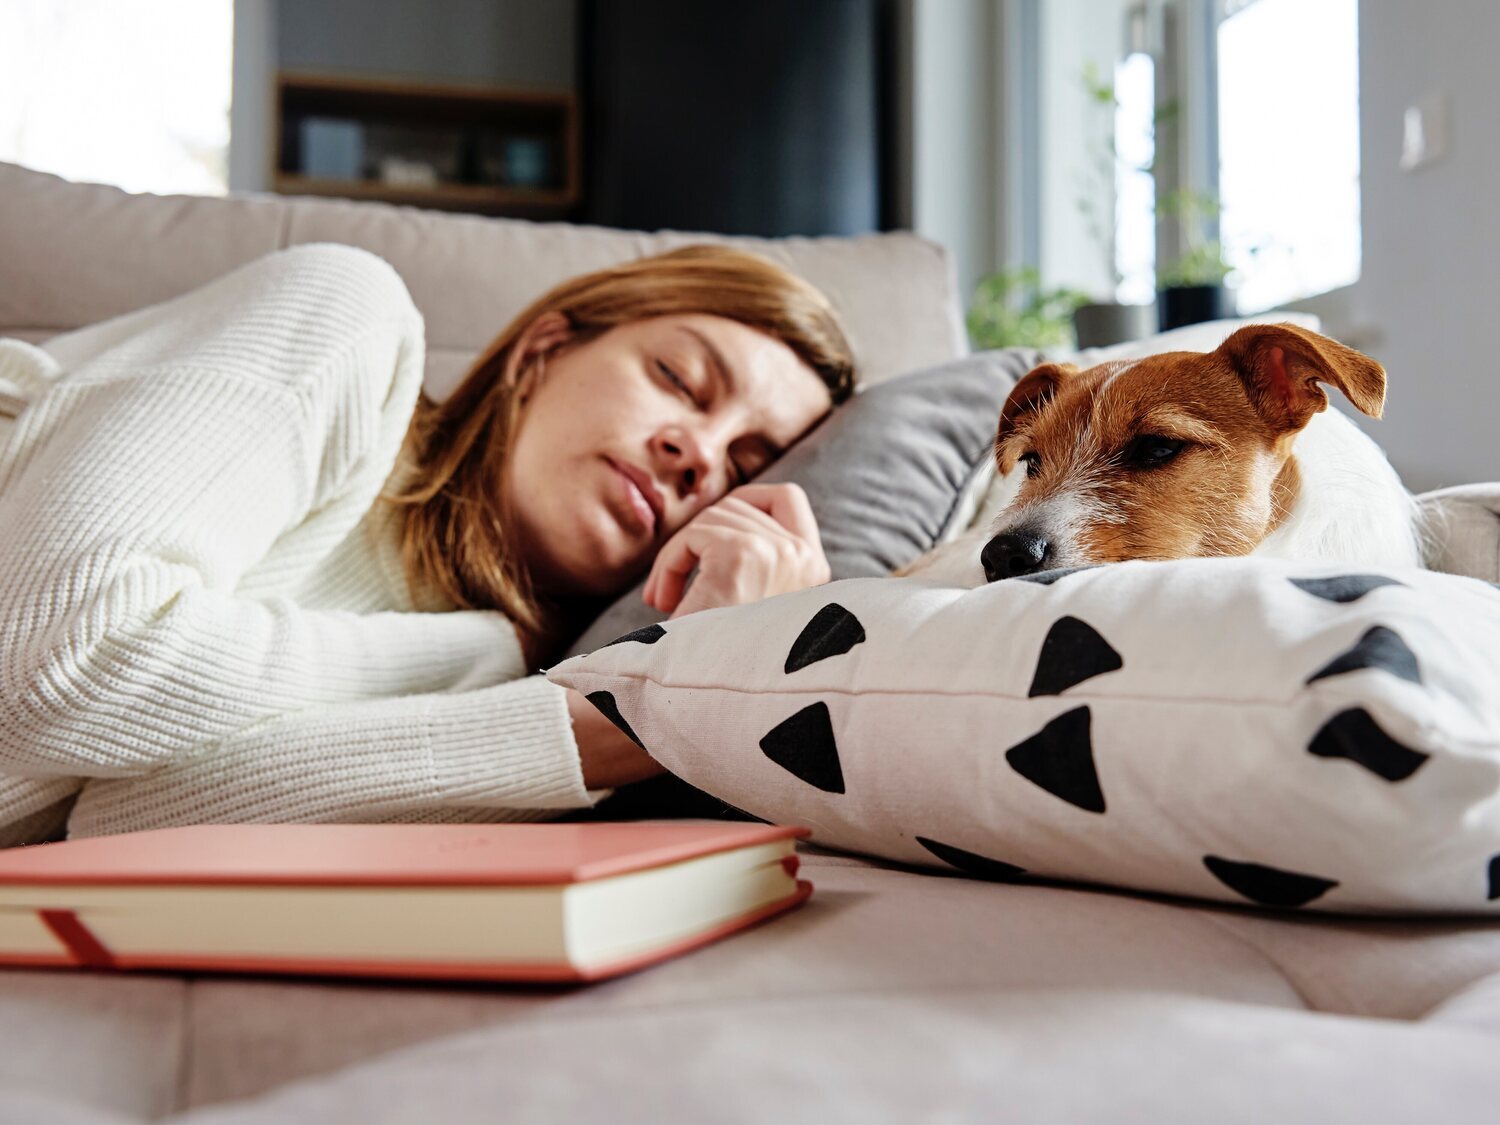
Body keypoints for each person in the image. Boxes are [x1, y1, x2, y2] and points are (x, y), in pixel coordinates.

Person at [0, 243, 856, 844]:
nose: (697, 453)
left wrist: (665, 702)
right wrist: (570, 684)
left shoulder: (498, 688)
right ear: (543, 351)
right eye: (679, 378)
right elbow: (60, 659)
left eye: (745, 466)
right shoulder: (347, 320)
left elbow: (127, 825)